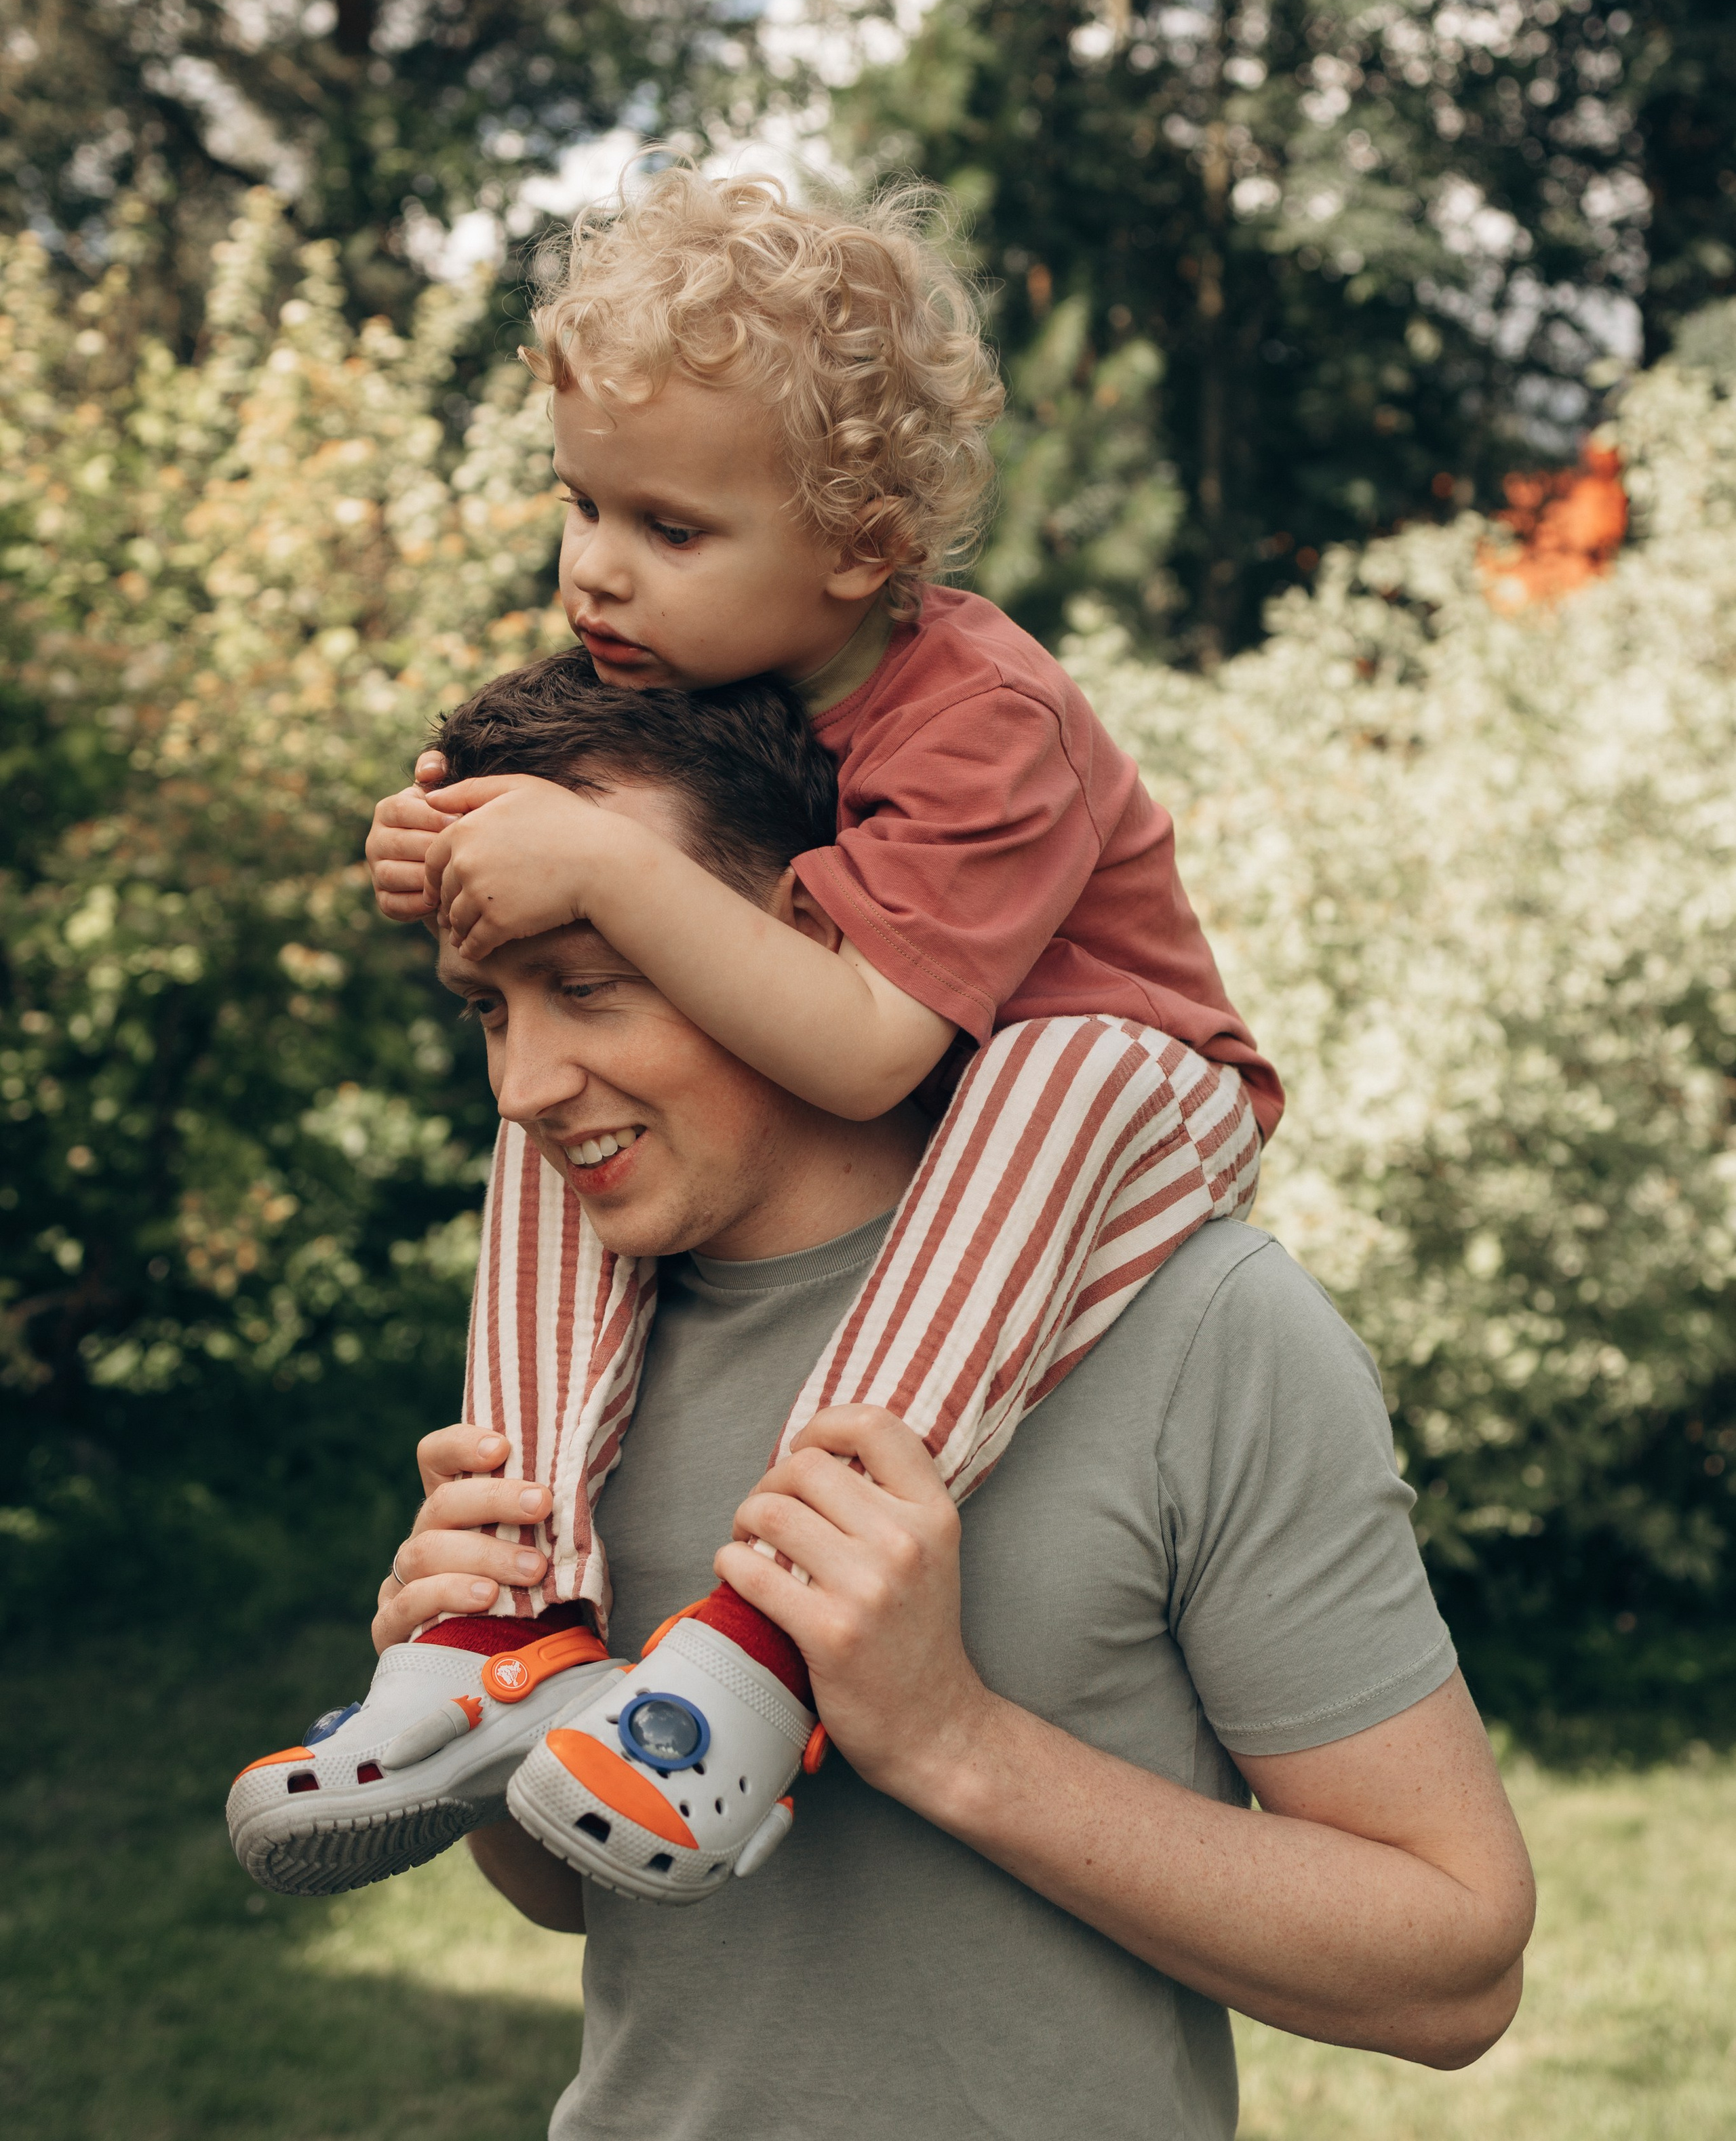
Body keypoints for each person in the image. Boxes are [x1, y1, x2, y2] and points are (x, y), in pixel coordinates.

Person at [366, 682, 1532, 2141]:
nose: (525, 1084)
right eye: (489, 1007)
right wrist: (484, 1717)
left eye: (592, 985)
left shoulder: (1201, 1326)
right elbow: (571, 1894)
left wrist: (946, 1738)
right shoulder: (571, 1341)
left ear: (796, 937)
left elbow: (1452, 1964)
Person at [332, 165, 1283, 1899]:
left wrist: (606, 863)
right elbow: (627, 903)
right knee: (556, 1083)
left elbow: (861, 1055)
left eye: (668, 530)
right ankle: (512, 1612)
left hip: (1122, 1101)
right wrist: (450, 846)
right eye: (582, 505)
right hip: (945, 1113)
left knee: (1063, 1063)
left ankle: (766, 1637)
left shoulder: (987, 714)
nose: (596, 575)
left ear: (859, 552)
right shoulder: (709, 679)